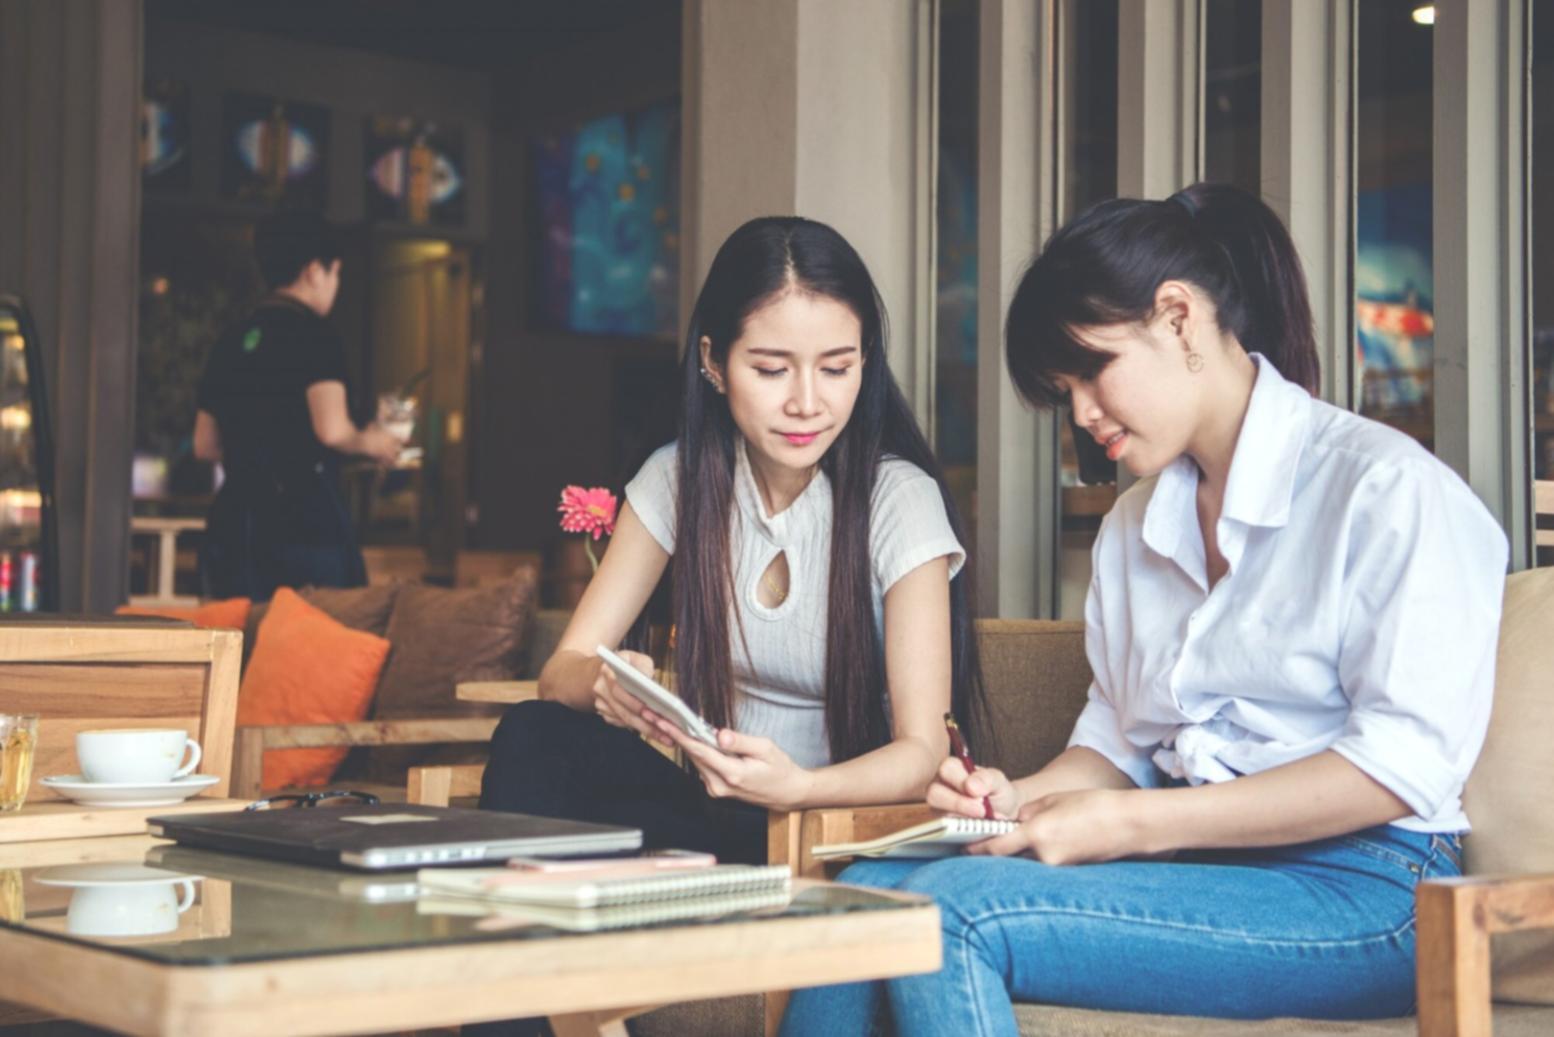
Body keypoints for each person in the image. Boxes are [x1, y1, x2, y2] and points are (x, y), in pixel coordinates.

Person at [780, 183, 1508, 1036]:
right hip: (1210, 867)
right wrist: (1011, 800)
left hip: (1375, 891)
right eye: (1066, 390)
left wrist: (1131, 821)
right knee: (859, 900)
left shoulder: (1386, 489)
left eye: (1093, 369)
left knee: (948, 914)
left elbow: (1400, 766)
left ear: (1177, 316)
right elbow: (1116, 744)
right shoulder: (1136, 523)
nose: (1085, 416)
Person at [479, 215, 987, 866]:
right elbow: (562, 670)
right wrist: (602, 681)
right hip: (712, 811)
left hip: (837, 823)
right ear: (714, 362)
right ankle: (523, 945)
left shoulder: (899, 499)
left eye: (836, 368)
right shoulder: (679, 477)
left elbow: (924, 753)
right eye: (773, 369)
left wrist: (799, 789)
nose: (808, 402)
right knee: (534, 732)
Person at [193, 210, 402, 601]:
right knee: (314, 642)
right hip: (301, 525)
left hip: (235, 522)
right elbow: (332, 430)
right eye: (335, 273)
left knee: (240, 645)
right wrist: (371, 441)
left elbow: (205, 444)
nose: (335, 285)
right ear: (313, 271)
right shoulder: (316, 334)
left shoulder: (232, 339)